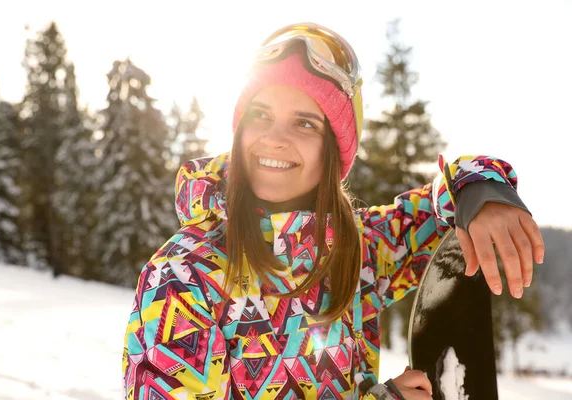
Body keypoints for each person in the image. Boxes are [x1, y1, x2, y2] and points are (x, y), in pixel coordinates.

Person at [122, 23, 544, 400]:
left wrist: (479, 190)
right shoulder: (183, 277)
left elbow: (434, 213)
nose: (274, 139)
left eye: (305, 123)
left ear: (334, 151)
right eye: (260, 115)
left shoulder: (357, 249)